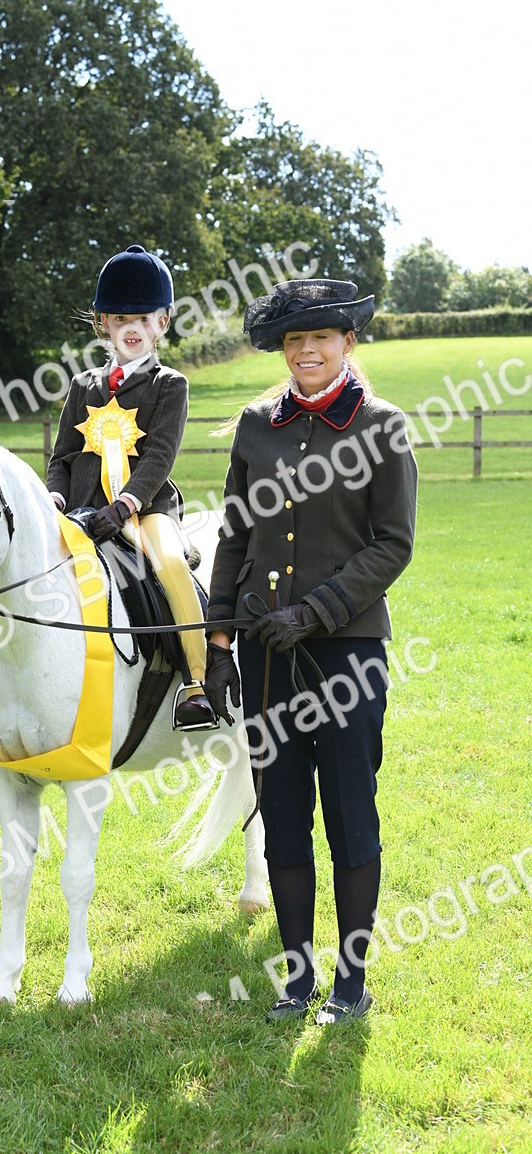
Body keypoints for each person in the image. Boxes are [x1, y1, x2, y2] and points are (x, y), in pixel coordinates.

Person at [204, 278, 418, 1024]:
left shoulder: (383, 427)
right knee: (284, 811)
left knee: (351, 814)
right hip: (266, 655)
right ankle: (296, 981)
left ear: (348, 343)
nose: (307, 352)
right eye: (295, 341)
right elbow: (233, 535)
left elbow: (394, 544)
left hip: (348, 655)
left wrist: (319, 610)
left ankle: (350, 984)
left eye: (320, 339)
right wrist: (220, 640)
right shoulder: (255, 427)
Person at [47, 243, 216, 729]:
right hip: (80, 510)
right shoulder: (83, 386)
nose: (132, 328)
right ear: (103, 323)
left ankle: (195, 683)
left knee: (168, 565)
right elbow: (61, 457)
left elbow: (161, 455)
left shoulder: (170, 385)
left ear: (163, 323)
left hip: (146, 507)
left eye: (143, 318)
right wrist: (56, 497)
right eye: (121, 318)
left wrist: (125, 505)